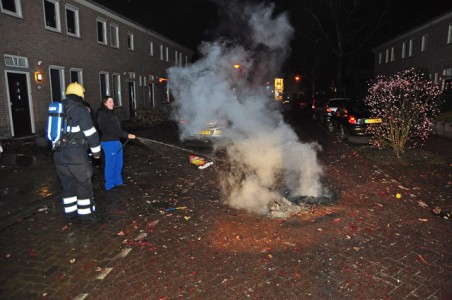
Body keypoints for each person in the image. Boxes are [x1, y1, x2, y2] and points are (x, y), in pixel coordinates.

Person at [54, 82, 102, 222]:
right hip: (76, 155)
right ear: (81, 94)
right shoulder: (80, 109)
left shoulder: (58, 108)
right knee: (83, 184)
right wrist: (97, 153)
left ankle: (70, 213)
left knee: (67, 184)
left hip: (58, 154)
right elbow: (91, 134)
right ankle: (86, 215)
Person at [96, 96, 136, 191]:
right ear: (105, 103)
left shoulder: (112, 114)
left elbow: (118, 129)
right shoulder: (102, 115)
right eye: (110, 102)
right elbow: (112, 130)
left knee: (119, 163)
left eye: (113, 102)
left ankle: (118, 181)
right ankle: (109, 185)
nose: (113, 103)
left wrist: (125, 134)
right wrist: (127, 135)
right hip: (109, 142)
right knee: (111, 164)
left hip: (116, 141)